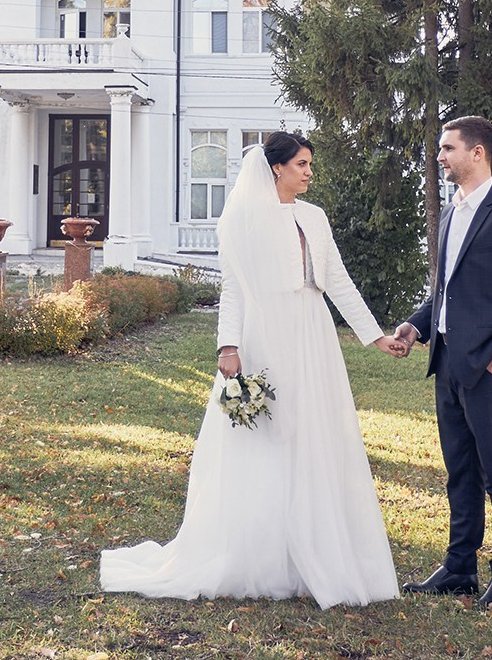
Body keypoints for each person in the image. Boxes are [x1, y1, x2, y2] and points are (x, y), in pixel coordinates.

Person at [99, 133, 409, 607]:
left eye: (310, 164)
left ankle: (315, 549)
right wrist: (229, 347)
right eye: (301, 164)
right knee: (266, 437)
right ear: (276, 168)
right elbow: (234, 289)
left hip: (313, 336)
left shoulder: (315, 217)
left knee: (312, 436)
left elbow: (339, 282)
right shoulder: (243, 218)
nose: (309, 172)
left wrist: (375, 335)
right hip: (265, 336)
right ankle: (262, 555)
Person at [394, 115, 492, 608]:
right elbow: (446, 291)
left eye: (448, 148)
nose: (439, 157)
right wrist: (418, 325)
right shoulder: (450, 214)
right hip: (446, 365)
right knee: (459, 471)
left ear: (477, 152)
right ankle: (460, 567)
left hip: (488, 371)